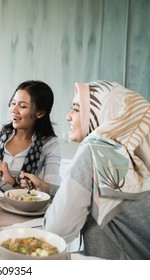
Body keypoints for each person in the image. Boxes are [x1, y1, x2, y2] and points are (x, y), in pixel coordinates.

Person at [44, 81, 150, 259]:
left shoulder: (96, 150)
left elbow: (56, 232)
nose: (68, 116)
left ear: (104, 113)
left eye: (77, 109)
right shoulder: (139, 158)